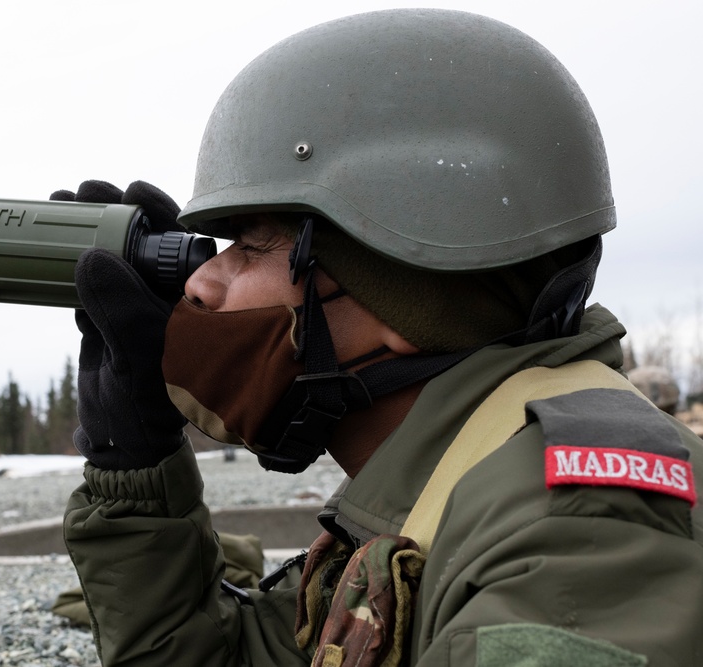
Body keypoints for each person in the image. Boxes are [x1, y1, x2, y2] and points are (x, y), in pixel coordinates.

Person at [56, 9, 703, 666]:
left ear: (399, 291)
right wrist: (130, 457)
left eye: (251, 244)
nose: (201, 283)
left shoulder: (575, 534)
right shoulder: (444, 492)